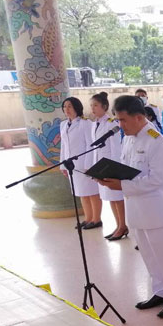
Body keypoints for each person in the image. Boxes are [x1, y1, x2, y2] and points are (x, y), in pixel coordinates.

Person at [100, 95, 163, 318]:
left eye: (123, 120)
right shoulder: (128, 138)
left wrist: (122, 185)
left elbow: (156, 180)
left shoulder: (156, 141)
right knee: (149, 255)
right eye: (118, 120)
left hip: (156, 210)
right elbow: (126, 168)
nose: (120, 125)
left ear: (139, 117)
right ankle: (160, 291)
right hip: (136, 209)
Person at [89, 92, 128, 240]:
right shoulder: (95, 124)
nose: (93, 108)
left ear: (104, 107)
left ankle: (123, 225)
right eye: (91, 105)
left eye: (96, 105)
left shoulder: (112, 123)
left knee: (117, 198)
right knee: (110, 198)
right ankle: (118, 225)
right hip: (100, 167)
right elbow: (95, 148)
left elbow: (115, 149)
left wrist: (114, 169)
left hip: (110, 166)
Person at [60, 96, 100, 228]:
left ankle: (96, 219)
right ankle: (88, 218)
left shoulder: (85, 123)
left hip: (85, 164)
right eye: (65, 107)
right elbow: (64, 146)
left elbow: (91, 145)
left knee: (92, 192)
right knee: (81, 192)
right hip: (72, 165)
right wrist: (63, 164)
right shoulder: (63, 125)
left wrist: (89, 165)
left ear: (77, 107)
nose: (67, 109)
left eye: (70, 106)